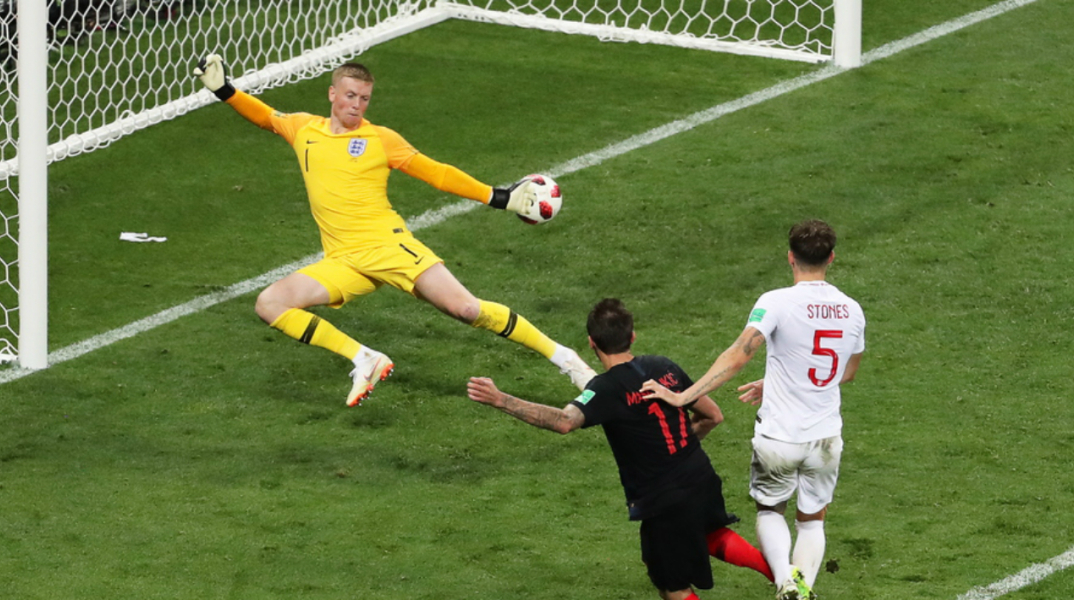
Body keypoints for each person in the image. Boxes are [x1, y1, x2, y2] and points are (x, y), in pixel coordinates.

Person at [192, 55, 596, 406]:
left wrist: (498, 197)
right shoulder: (303, 129)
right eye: (350, 96)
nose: (357, 105)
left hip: (388, 247)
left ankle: (568, 361)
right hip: (343, 260)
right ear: (332, 94)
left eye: (365, 98)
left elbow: (436, 173)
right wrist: (225, 91)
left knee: (466, 310)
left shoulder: (380, 139)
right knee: (270, 304)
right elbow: (266, 116)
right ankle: (363, 358)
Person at [467, 298, 774, 600]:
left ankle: (784, 581)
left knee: (673, 587)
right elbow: (713, 416)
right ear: (632, 336)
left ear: (592, 343)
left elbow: (564, 421)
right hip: (700, 476)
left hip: (664, 499)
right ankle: (784, 577)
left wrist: (501, 399)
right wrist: (676, 449)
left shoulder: (605, 389)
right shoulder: (663, 366)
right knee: (710, 532)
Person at [641, 219, 865, 600]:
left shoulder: (775, 302)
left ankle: (785, 580)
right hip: (826, 437)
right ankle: (801, 589)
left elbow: (738, 355)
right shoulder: (852, 310)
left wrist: (683, 396)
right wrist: (780, 380)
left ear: (790, 257)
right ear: (831, 258)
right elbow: (847, 371)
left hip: (779, 436)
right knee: (813, 521)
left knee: (770, 511)